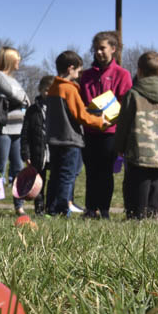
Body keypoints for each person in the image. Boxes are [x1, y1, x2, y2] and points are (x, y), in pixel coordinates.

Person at [113, 52, 158, 219]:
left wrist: (120, 146)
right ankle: (154, 214)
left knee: (136, 183)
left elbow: (123, 124)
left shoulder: (133, 94)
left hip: (138, 150)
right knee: (157, 183)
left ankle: (136, 214)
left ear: (139, 71)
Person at [45, 50, 108, 216]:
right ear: (70, 68)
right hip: (70, 140)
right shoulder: (70, 89)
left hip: (54, 139)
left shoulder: (53, 88)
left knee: (55, 176)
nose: (79, 74)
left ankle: (50, 208)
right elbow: (80, 115)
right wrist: (100, 122)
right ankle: (63, 208)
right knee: (67, 175)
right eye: (78, 71)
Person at [79, 31, 133, 219]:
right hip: (90, 129)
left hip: (110, 131)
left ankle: (104, 209)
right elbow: (82, 101)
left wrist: (111, 118)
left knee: (106, 173)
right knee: (91, 172)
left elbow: (124, 102)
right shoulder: (85, 76)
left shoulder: (122, 74)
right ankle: (90, 208)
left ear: (113, 49)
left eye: (103, 48)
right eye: (96, 49)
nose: (99, 52)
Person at [0, 46, 31, 215]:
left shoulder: (13, 78)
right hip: (4, 129)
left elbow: (24, 98)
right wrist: (22, 97)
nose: (19, 61)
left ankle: (19, 205)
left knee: (18, 168)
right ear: (9, 59)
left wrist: (23, 97)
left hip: (18, 130)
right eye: (17, 58)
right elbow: (17, 95)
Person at [21, 75, 56, 215]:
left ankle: (51, 208)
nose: (49, 94)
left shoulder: (58, 108)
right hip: (37, 152)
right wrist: (25, 153)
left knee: (54, 181)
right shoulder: (33, 110)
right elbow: (25, 133)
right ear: (40, 90)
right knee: (38, 182)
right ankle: (39, 208)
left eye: (52, 90)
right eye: (46, 90)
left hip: (53, 151)